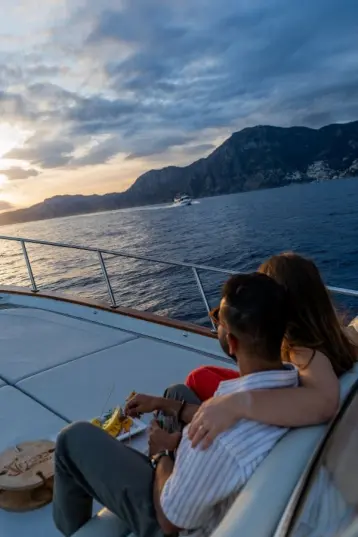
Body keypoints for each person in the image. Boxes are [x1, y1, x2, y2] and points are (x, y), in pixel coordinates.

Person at [53, 272, 298, 537]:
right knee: (177, 392)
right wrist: (163, 407)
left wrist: (162, 456)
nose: (216, 324)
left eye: (218, 319)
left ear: (232, 342)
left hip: (175, 523)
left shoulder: (221, 439)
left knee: (72, 439)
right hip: (233, 478)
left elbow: (170, 520)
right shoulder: (294, 390)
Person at [188, 252, 358, 449]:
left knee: (196, 379)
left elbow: (326, 402)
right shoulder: (338, 339)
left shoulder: (302, 354)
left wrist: (236, 402)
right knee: (200, 376)